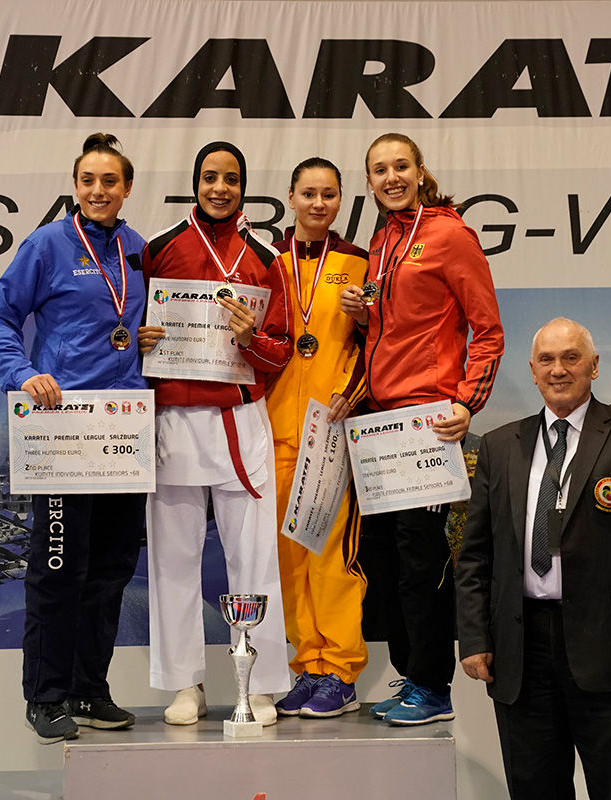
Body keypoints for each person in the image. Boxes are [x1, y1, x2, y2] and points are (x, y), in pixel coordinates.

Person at [455, 317, 611, 800]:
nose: (558, 369)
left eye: (570, 357)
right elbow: (475, 555)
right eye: (547, 359)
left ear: (594, 366)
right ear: (533, 371)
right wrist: (474, 637)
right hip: (520, 652)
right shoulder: (499, 446)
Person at [0, 133, 146, 742]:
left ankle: (88, 689)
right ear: (75, 186)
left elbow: (134, 322)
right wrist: (22, 374)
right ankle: (46, 695)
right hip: (61, 430)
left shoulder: (138, 248)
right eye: (88, 181)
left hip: (123, 431)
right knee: (58, 568)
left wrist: (148, 339)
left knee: (111, 569)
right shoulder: (47, 243)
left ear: (127, 188)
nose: (98, 191)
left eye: (110, 181)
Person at [340, 132, 504, 725]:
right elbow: (393, 329)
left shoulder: (450, 235)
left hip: (426, 422)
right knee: (384, 563)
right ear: (369, 181)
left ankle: (433, 688)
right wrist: (362, 315)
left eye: (401, 166)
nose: (391, 177)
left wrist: (467, 402)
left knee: (421, 560)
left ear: (420, 171)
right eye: (379, 169)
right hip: (378, 425)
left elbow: (488, 330)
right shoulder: (381, 241)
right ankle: (412, 677)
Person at [138, 141, 292, 726]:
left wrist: (251, 338)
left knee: (254, 557)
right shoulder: (160, 248)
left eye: (230, 179)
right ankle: (186, 685)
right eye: (209, 177)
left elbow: (280, 352)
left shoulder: (267, 258)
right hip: (173, 417)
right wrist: (141, 339)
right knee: (173, 558)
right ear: (195, 183)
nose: (219, 188)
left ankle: (261, 682)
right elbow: (129, 327)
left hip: (238, 418)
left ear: (244, 187)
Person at [266, 158, 370, 718]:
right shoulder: (268, 260)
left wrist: (351, 391)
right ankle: (308, 665)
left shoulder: (360, 262)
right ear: (290, 197)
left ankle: (341, 672)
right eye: (308, 193)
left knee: (330, 557)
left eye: (329, 194)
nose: (318, 203)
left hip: (329, 429)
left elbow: (379, 339)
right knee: (289, 556)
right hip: (275, 428)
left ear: (340, 200)